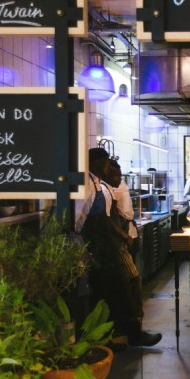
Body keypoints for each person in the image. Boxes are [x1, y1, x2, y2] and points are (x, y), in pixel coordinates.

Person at [76, 147, 161, 348]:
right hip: (97, 246)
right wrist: (121, 237)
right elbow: (97, 221)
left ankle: (118, 335)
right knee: (117, 290)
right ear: (97, 163)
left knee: (112, 291)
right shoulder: (87, 184)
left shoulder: (97, 184)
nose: (108, 167)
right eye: (106, 163)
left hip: (103, 245)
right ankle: (125, 336)